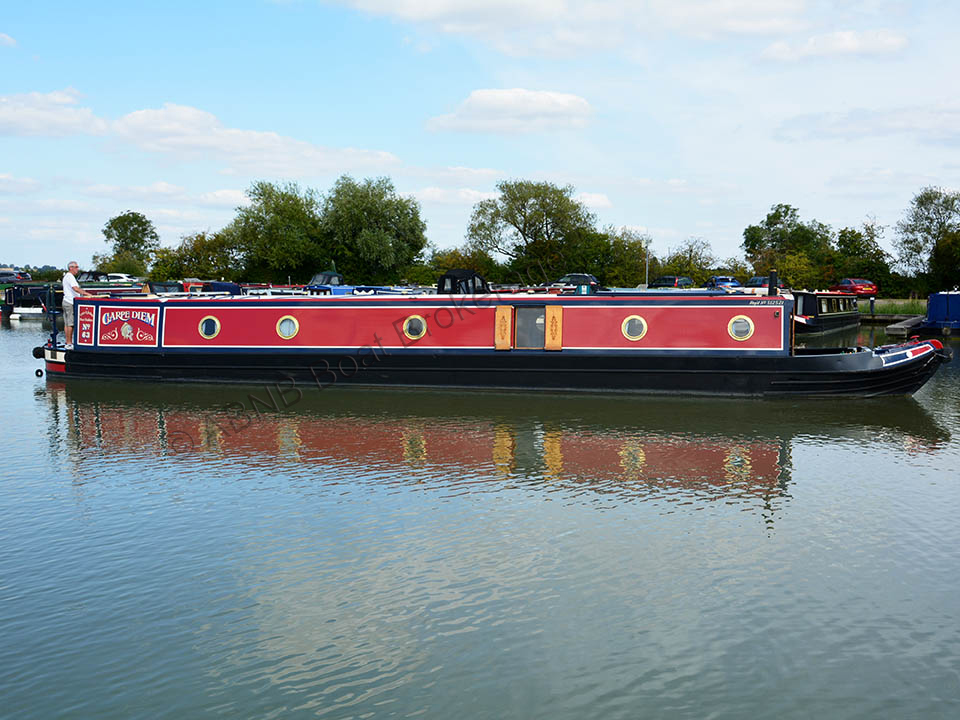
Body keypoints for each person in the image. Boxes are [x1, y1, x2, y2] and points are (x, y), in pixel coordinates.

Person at [62, 262, 94, 349]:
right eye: (76, 267)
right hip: (70, 302)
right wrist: (86, 294)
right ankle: (69, 343)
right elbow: (75, 288)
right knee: (70, 323)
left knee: (67, 323)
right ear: (71, 268)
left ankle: (68, 342)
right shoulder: (70, 277)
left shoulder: (67, 276)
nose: (77, 269)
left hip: (66, 301)